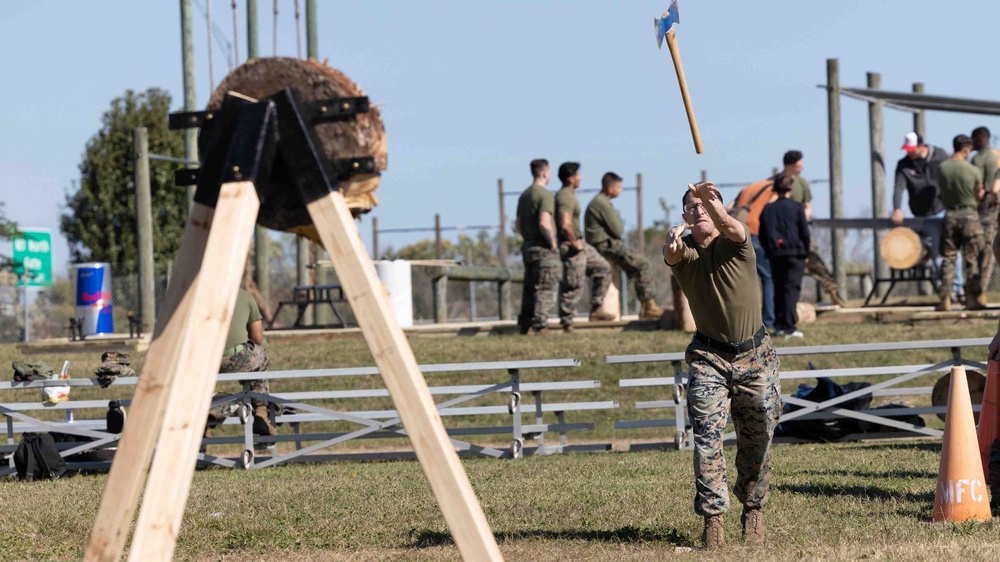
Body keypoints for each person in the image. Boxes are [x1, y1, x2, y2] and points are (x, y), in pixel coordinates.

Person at [663, 180, 781, 549]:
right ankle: (713, 519)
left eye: (704, 205)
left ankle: (753, 508)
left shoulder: (736, 244)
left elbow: (729, 224)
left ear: (717, 207)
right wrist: (670, 246)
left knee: (759, 431)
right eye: (691, 206)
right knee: (707, 436)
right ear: (684, 216)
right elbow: (671, 256)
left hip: (755, 355)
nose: (698, 210)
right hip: (709, 357)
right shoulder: (685, 255)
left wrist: (713, 204)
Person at [584, 172, 664, 319]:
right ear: (610, 188)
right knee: (643, 265)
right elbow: (618, 230)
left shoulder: (599, 202)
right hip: (605, 245)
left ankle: (647, 306)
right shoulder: (601, 203)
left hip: (603, 244)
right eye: (619, 187)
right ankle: (649, 306)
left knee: (636, 266)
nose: (620, 190)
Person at [778, 150, 845, 306]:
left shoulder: (801, 183)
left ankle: (834, 293)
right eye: (799, 165)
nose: (802, 167)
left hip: (800, 233)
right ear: (791, 165)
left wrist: (803, 218)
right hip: (782, 235)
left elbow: (807, 206)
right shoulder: (776, 182)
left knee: (816, 262)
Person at [555, 162, 613, 332]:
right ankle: (567, 322)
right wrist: (574, 242)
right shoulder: (565, 196)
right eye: (578, 175)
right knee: (574, 282)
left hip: (580, 244)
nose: (581, 178)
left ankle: (596, 309)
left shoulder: (569, 195)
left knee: (602, 267)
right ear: (571, 178)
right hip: (572, 245)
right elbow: (565, 223)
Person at [892, 132, 950, 287]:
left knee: (950, 250)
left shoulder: (940, 155)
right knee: (936, 251)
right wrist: (897, 208)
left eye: (911, 149)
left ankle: (957, 287)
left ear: (920, 146)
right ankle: (946, 289)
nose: (908, 152)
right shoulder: (903, 165)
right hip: (923, 214)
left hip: (943, 209)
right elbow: (899, 187)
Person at [936, 134, 986, 311]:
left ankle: (945, 298)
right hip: (969, 215)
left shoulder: (942, 169)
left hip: (949, 215)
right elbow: (979, 193)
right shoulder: (972, 170)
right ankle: (973, 298)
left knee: (949, 258)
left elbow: (940, 194)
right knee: (971, 258)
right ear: (966, 148)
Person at [216, 287, 275, 437]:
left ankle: (212, 409)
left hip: (202, 359)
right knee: (259, 355)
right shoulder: (245, 296)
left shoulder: (195, 296)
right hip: (235, 357)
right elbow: (258, 337)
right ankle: (260, 409)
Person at [759, 175, 810, 338]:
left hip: (775, 254)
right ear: (790, 188)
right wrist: (806, 252)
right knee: (791, 289)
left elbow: (762, 234)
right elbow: (804, 232)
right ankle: (789, 326)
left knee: (778, 288)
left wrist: (769, 249)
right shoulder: (796, 207)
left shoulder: (767, 209)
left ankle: (779, 324)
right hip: (795, 253)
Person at [515, 158, 560, 334]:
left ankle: (524, 324)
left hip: (528, 247)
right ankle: (540, 325)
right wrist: (553, 243)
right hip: (543, 248)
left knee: (529, 287)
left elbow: (518, 224)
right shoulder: (544, 194)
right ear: (544, 172)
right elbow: (544, 222)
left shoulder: (524, 195)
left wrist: (528, 237)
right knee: (546, 287)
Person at [731, 179, 778, 330]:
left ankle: (738, 320)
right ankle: (769, 319)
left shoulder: (749, 188)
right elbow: (773, 209)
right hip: (755, 232)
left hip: (738, 232)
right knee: (768, 277)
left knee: (740, 277)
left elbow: (731, 205)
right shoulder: (773, 189)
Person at [971, 127, 1000, 291]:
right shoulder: (998, 156)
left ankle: (978, 289)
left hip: (985, 205)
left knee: (984, 247)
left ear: (979, 139)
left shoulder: (977, 159)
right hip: (996, 205)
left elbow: (977, 186)